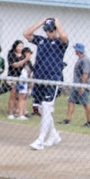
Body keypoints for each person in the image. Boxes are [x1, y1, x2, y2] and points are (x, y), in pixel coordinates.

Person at [24, 17, 68, 150]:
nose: (48, 33)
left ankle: (41, 140)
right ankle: (54, 134)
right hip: (39, 78)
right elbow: (26, 34)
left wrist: (58, 24)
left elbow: (65, 37)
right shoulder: (42, 41)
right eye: (46, 30)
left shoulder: (60, 43)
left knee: (47, 107)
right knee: (40, 109)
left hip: (52, 79)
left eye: (50, 30)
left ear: (55, 30)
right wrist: (41, 22)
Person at [61, 43, 90, 127]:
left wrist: (82, 86)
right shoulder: (80, 59)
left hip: (82, 85)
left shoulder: (85, 60)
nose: (75, 51)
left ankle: (89, 122)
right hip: (76, 85)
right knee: (71, 101)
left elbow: (85, 74)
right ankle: (68, 119)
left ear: (78, 50)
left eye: (76, 49)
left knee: (85, 103)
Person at [6, 40, 24, 118]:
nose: (20, 48)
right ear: (15, 46)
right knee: (13, 95)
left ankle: (16, 111)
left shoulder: (23, 55)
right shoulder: (11, 54)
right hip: (12, 77)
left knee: (19, 95)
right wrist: (25, 60)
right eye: (19, 46)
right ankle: (10, 113)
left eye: (22, 46)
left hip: (20, 77)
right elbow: (15, 65)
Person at [15, 47, 34, 119]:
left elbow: (31, 71)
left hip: (26, 81)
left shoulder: (29, 62)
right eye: (30, 53)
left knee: (24, 97)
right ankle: (20, 114)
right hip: (22, 81)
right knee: (21, 97)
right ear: (26, 53)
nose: (31, 55)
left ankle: (22, 113)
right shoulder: (22, 60)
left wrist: (31, 82)